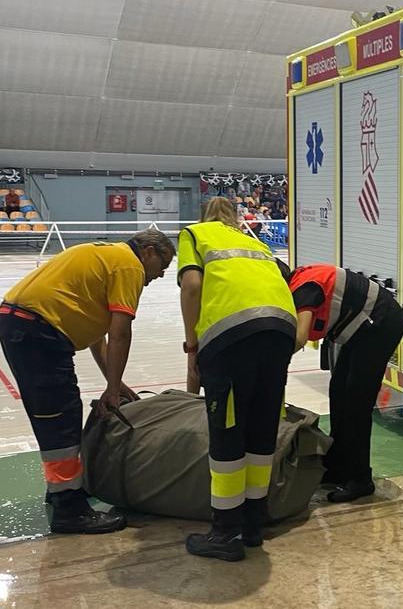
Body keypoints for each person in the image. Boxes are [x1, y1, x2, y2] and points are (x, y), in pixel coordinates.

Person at [0, 229, 174, 534]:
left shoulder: (105, 256)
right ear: (148, 251)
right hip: (38, 330)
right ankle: (69, 510)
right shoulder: (129, 266)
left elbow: (97, 338)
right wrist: (113, 391)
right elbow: (120, 333)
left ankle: (62, 490)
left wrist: (115, 384)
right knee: (61, 416)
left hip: (20, 323)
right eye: (163, 266)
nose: (159, 275)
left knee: (51, 413)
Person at [179, 196, 297, 561]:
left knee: (228, 432)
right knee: (262, 429)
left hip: (231, 337)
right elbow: (284, 278)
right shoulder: (254, 241)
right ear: (234, 217)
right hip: (281, 331)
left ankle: (225, 533)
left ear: (204, 217)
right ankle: (252, 525)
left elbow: (193, 287)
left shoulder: (195, 235)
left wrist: (193, 345)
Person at [281, 263, 403, 502]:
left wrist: (275, 363)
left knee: (356, 402)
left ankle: (360, 479)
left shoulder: (304, 288)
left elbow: (300, 336)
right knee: (339, 392)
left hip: (380, 324)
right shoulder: (300, 280)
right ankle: (338, 466)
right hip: (364, 328)